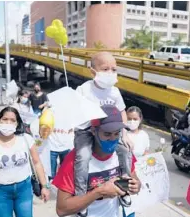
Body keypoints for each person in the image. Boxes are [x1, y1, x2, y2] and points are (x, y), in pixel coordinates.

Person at [53, 105, 141, 217]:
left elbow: (135, 179)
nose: (113, 139)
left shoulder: (123, 153)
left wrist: (136, 186)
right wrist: (98, 192)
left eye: (116, 133)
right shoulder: (74, 159)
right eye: (107, 134)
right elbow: (61, 209)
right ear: (94, 131)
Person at [74, 52, 133, 217]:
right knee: (83, 158)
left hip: (110, 130)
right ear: (93, 71)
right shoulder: (84, 89)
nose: (110, 73)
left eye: (114, 69)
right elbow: (74, 110)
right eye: (105, 69)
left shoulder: (114, 92)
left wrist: (124, 134)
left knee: (125, 150)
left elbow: (122, 112)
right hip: (86, 131)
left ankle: (124, 188)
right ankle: (81, 196)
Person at [0, 107, 50, 217]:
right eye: (5, 119)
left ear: (17, 123)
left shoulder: (26, 139)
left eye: (12, 120)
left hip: (24, 190)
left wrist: (45, 186)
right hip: (0, 192)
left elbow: (37, 163)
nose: (8, 123)